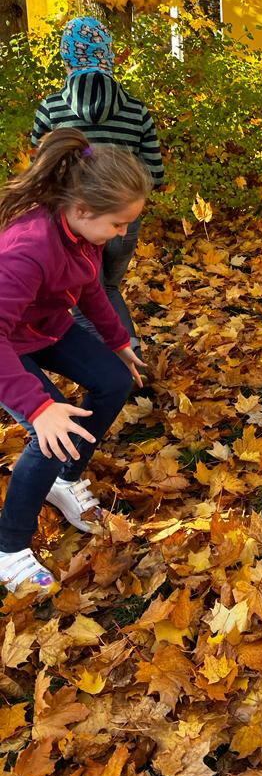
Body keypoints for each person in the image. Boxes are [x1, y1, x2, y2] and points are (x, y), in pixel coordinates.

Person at [0, 128, 151, 593]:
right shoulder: (28, 250)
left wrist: (118, 341)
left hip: (42, 325)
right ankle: (8, 547)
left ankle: (64, 482)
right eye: (119, 224)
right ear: (83, 209)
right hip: (7, 341)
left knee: (113, 379)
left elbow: (88, 287)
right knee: (53, 433)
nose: (123, 233)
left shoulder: (83, 232)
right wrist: (40, 409)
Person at [32, 16, 164, 352]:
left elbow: (39, 169)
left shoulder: (52, 108)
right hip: (123, 220)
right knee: (107, 288)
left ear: (66, 59)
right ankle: (131, 357)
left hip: (72, 222)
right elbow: (155, 173)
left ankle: (110, 367)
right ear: (109, 56)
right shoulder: (136, 110)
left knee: (81, 297)